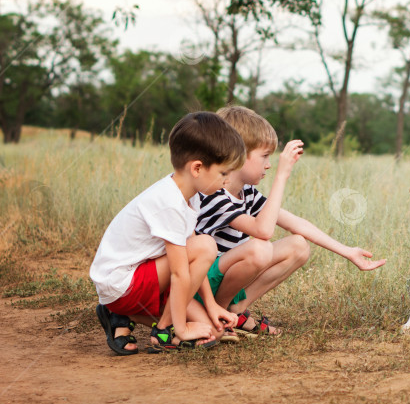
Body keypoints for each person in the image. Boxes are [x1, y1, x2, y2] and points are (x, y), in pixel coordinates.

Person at [195, 105, 386, 339]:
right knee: (259, 248)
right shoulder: (213, 194)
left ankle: (236, 310)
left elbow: (297, 224)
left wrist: (347, 252)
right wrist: (282, 175)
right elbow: (263, 231)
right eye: (264, 156)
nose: (268, 164)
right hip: (200, 286)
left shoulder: (246, 193)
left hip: (223, 277)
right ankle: (218, 315)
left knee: (298, 245)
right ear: (237, 155)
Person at [90, 112, 246, 355]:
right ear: (197, 168)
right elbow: (180, 270)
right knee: (206, 245)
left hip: (145, 275)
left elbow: (192, 259)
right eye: (224, 173)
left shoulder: (189, 194)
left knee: (211, 330)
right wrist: (181, 329)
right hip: (122, 282)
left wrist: (212, 305)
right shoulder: (169, 201)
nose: (227, 180)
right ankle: (163, 329)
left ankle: (128, 315)